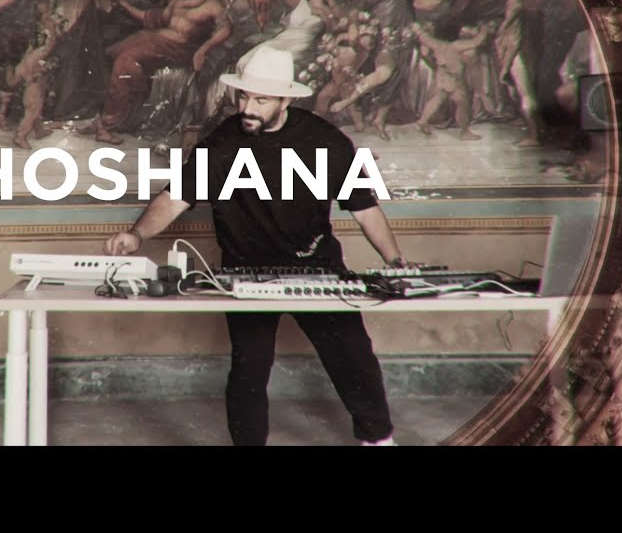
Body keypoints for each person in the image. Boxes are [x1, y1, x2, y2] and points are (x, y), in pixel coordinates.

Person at [102, 46, 406, 446]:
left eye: (261, 100)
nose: (247, 107)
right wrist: (137, 235)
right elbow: (176, 198)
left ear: (285, 100)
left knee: (353, 357)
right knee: (249, 368)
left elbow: (365, 210)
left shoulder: (326, 142)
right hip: (245, 271)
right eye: (243, 96)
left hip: (316, 267)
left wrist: (395, 261)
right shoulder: (221, 143)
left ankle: (378, 441)